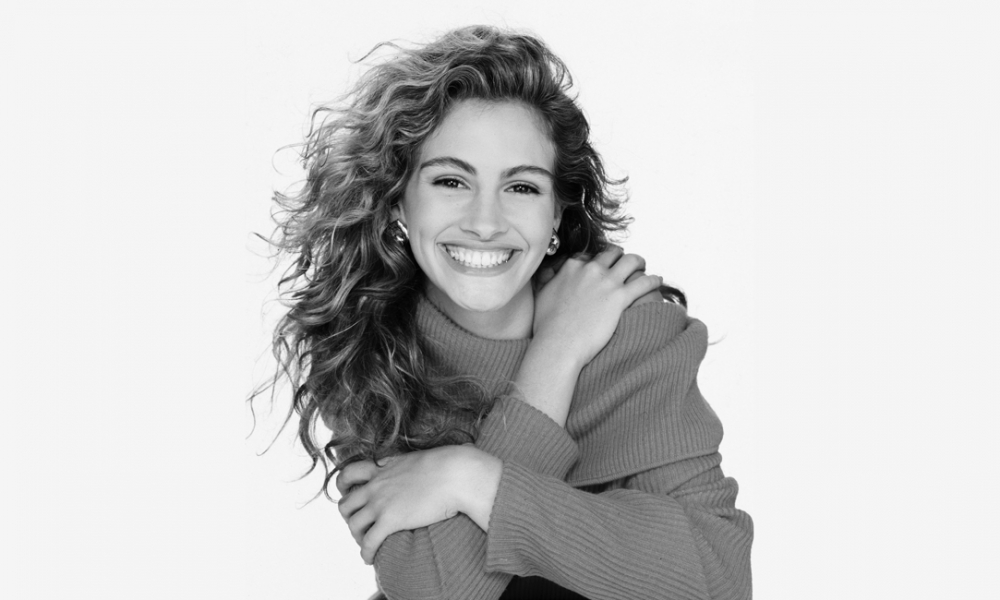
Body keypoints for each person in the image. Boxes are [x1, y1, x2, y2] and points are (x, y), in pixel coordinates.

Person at [260, 25, 752, 600]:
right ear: (398, 202)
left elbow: (718, 579)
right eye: (451, 181)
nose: (486, 223)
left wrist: (471, 478)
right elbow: (431, 593)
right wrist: (555, 359)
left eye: (521, 188)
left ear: (556, 215)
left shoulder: (629, 328)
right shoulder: (365, 346)